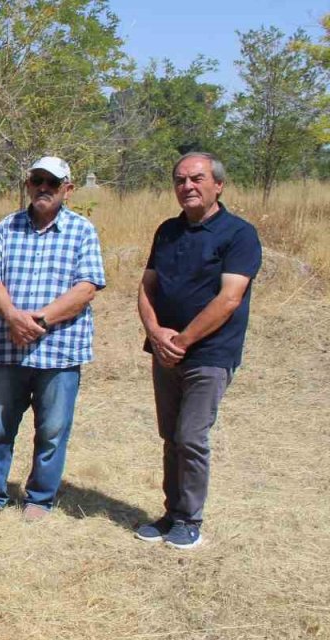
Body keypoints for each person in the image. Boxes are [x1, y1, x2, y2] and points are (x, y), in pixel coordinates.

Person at [134, 152, 260, 549]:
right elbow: (147, 287)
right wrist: (156, 332)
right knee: (171, 435)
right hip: (164, 350)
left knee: (191, 436)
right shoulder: (167, 231)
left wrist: (183, 340)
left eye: (197, 178)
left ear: (218, 185)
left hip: (209, 353)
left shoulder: (239, 234)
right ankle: (172, 513)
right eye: (180, 180)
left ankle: (190, 519)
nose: (187, 186)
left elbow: (229, 298)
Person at [0, 156, 105, 522]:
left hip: (59, 351)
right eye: (37, 180)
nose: (43, 187)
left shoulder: (82, 230)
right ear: (28, 184)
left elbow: (87, 287)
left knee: (52, 431)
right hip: (8, 348)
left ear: (68, 189)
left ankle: (40, 499)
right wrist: (13, 317)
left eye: (52, 182)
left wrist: (41, 320)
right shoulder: (7, 226)